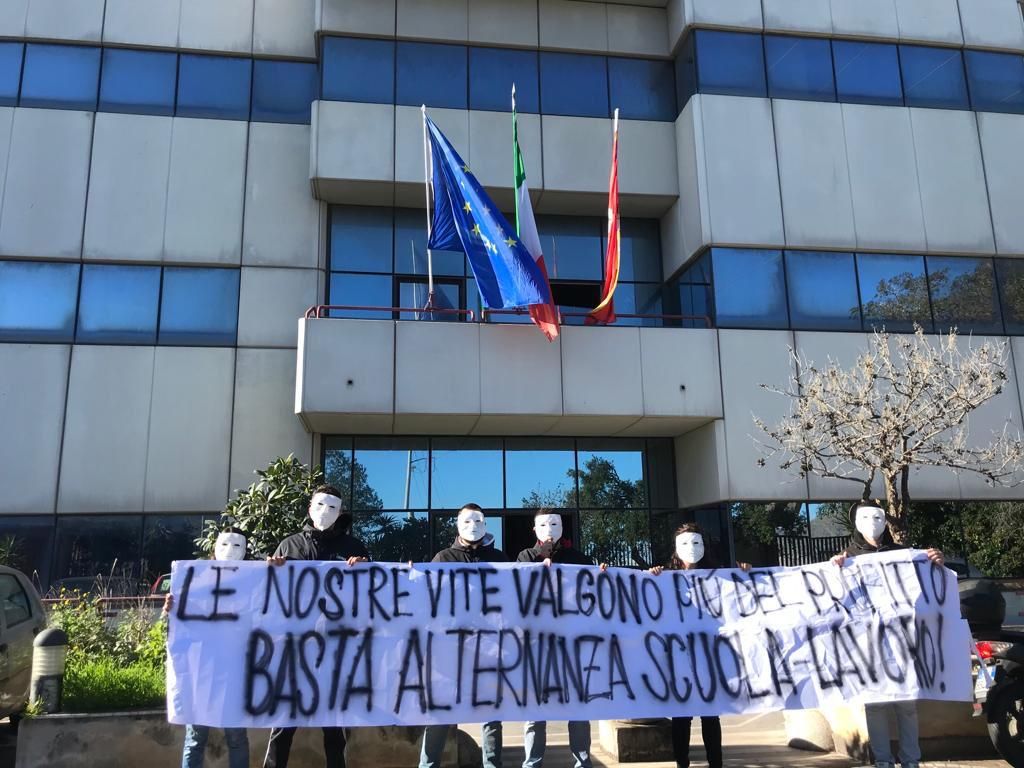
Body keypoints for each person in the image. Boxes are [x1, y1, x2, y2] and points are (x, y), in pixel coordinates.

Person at [831, 500, 945, 768]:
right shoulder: (847, 558)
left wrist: (936, 561)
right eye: (866, 517)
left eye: (878, 516)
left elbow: (929, 583)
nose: (873, 522)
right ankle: (883, 762)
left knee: (906, 705)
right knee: (876, 705)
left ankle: (911, 761)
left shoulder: (902, 553)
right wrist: (833, 570)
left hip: (902, 641)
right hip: (868, 645)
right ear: (856, 522)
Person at [263, 485, 370, 768]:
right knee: (283, 724)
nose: (325, 512)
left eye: (332, 507)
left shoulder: (354, 548)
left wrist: (365, 570)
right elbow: (270, 596)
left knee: (334, 728)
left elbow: (369, 596)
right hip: (294, 649)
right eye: (320, 505)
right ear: (309, 508)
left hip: (334, 650)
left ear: (340, 513)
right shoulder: (289, 546)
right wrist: (271, 571)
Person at [649, 523, 749, 768]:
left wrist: (746, 574)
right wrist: (650, 575)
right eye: (685, 543)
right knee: (682, 717)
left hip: (708, 656)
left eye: (696, 542)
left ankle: (716, 763)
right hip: (679, 656)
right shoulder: (665, 576)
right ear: (675, 548)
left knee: (710, 715)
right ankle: (682, 763)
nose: (691, 548)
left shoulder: (716, 575)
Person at [419, 503, 508, 768]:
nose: (473, 526)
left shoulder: (501, 560)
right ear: (457, 525)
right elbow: (425, 598)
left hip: (489, 648)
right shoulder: (443, 558)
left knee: (491, 714)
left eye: (478, 520)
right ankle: (427, 765)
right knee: (439, 713)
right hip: (449, 650)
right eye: (467, 521)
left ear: (485, 524)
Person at [515, 509, 599, 768]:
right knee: (535, 710)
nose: (550, 528)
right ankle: (532, 762)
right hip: (537, 645)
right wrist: (539, 565)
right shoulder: (524, 557)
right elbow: (518, 591)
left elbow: (591, 594)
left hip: (572, 643)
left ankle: (582, 761)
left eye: (555, 523)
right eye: (544, 524)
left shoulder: (579, 559)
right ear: (534, 529)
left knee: (577, 708)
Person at [165, 527, 251, 768]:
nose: (230, 551)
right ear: (214, 547)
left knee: (236, 736)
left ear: (245, 551)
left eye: (237, 546)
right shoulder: (196, 579)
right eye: (225, 544)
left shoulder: (252, 582)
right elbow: (182, 622)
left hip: (235, 669)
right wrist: (170, 610)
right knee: (195, 737)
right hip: (201, 668)